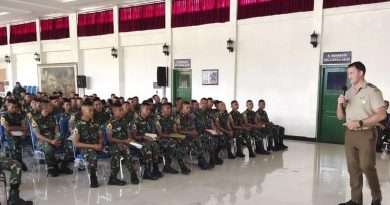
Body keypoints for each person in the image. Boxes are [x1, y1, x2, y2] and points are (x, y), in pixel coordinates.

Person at [337, 61, 386, 205]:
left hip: (366, 133)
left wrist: (359, 123)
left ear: (361, 73)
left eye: (351, 73)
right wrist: (339, 103)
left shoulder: (372, 91)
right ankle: (356, 200)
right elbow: (340, 116)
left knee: (366, 166)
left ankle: (376, 197)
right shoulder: (348, 92)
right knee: (353, 168)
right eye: (348, 73)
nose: (349, 76)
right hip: (350, 134)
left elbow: (382, 114)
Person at [73, 100, 126, 188]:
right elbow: (76, 143)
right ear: (83, 112)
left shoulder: (95, 123)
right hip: (86, 147)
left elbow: (100, 136)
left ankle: (113, 177)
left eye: (92, 110)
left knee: (115, 152)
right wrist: (93, 146)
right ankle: (93, 177)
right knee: (93, 155)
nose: (92, 112)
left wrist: (100, 144)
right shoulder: (78, 125)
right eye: (90, 110)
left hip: (97, 146)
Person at [31, 100, 73, 177]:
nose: (52, 107)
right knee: (48, 148)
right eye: (50, 105)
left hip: (53, 139)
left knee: (69, 144)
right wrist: (51, 141)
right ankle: (52, 168)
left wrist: (57, 139)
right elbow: (38, 135)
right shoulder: (35, 119)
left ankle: (63, 166)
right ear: (44, 107)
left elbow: (56, 130)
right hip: (42, 140)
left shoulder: (53, 117)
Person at [106, 101, 139, 184]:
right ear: (114, 112)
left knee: (142, 146)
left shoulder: (123, 121)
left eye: (122, 110)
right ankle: (133, 174)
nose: (122, 112)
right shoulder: (110, 123)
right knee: (125, 149)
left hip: (125, 143)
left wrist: (130, 139)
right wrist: (124, 141)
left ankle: (148, 171)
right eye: (120, 110)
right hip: (114, 144)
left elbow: (128, 133)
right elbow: (110, 139)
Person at [156, 103, 191, 175]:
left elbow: (174, 129)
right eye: (167, 108)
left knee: (179, 142)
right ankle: (180, 166)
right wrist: (172, 136)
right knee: (173, 144)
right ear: (162, 110)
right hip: (160, 139)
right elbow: (160, 134)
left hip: (170, 138)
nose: (170, 110)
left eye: (170, 108)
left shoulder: (171, 117)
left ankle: (168, 166)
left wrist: (178, 136)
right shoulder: (158, 119)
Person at [131, 102, 162, 180]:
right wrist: (143, 137)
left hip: (146, 140)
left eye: (149, 109)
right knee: (147, 146)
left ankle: (155, 169)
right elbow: (134, 136)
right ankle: (147, 172)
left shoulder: (148, 119)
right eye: (147, 109)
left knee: (155, 145)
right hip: (137, 142)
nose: (149, 111)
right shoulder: (136, 120)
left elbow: (156, 127)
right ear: (141, 110)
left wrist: (155, 136)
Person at [174, 101, 209, 170]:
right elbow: (178, 131)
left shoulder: (190, 116)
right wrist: (191, 132)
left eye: (189, 108)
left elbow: (192, 127)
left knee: (198, 140)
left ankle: (201, 161)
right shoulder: (178, 117)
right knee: (191, 145)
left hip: (190, 135)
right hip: (182, 137)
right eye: (187, 108)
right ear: (182, 108)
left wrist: (194, 132)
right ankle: (201, 161)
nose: (189, 109)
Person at [193, 98, 224, 167]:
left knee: (221, 138)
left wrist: (216, 130)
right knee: (211, 139)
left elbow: (212, 124)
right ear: (200, 104)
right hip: (199, 133)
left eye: (205, 103)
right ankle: (211, 159)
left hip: (208, 132)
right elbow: (192, 125)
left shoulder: (208, 113)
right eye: (202, 103)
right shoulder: (195, 113)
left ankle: (213, 157)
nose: (204, 104)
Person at [0, 99, 29, 171]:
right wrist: (21, 128)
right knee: (15, 144)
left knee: (31, 140)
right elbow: (8, 128)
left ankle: (16, 161)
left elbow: (25, 127)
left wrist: (24, 133)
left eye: (15, 107)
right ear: (7, 107)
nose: (14, 109)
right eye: (12, 107)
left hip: (20, 134)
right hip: (9, 135)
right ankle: (19, 163)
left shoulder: (18, 115)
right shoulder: (3, 116)